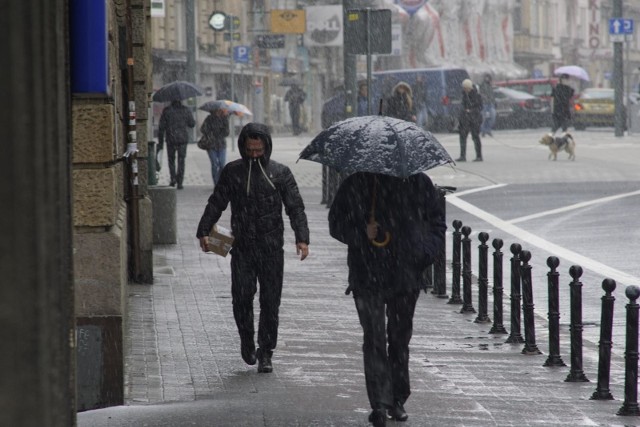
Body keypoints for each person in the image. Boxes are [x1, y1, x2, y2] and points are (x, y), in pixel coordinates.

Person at [328, 172, 446, 427]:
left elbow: (437, 222)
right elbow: (336, 223)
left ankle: (397, 398)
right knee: (374, 338)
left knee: (399, 338)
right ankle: (379, 403)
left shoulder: (419, 182)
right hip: (367, 274)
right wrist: (362, 232)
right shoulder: (358, 183)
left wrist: (424, 253)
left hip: (405, 273)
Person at [196, 122, 310, 374]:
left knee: (270, 302)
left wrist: (302, 237)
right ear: (243, 147)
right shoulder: (232, 172)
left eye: (259, 150)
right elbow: (217, 202)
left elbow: (295, 207)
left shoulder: (280, 173)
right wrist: (204, 230)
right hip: (243, 249)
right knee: (242, 299)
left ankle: (266, 351)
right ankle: (247, 341)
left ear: (267, 147)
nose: (255, 154)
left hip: (271, 249)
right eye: (250, 150)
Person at [157, 100, 196, 189]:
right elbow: (192, 124)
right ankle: (180, 182)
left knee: (171, 160)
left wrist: (160, 142)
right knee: (181, 161)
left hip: (171, 139)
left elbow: (161, 127)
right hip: (182, 140)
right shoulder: (186, 110)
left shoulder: (167, 110)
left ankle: (173, 179)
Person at [200, 108, 230, 186]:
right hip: (211, 144)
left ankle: (221, 181)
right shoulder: (209, 119)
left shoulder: (224, 119)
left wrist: (222, 127)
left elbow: (227, 132)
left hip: (221, 145)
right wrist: (211, 132)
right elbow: (203, 129)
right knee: (214, 164)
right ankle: (216, 183)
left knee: (222, 164)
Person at [457, 79, 483, 162]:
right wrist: (464, 112)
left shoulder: (477, 95)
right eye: (464, 88)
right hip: (465, 119)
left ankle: (479, 156)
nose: (465, 90)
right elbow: (462, 106)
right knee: (462, 137)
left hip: (475, 119)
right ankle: (462, 156)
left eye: (466, 88)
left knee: (475, 136)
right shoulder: (464, 95)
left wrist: (471, 111)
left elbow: (480, 107)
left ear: (470, 87)